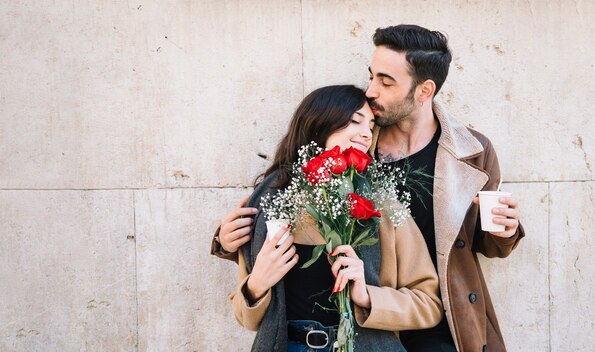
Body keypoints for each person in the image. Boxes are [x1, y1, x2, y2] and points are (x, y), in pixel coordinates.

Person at [213, 25, 525, 352]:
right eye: (372, 76)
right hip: (359, 328)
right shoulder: (354, 150)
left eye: (386, 81)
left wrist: (506, 232)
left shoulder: (471, 152)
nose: (371, 90)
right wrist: (229, 240)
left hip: (438, 321)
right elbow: (285, 253)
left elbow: (481, 244)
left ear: (424, 90)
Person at [228, 85, 443, 352]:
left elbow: (429, 304)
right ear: (320, 123)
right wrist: (257, 284)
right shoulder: (269, 206)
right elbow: (246, 320)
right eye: (355, 121)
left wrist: (368, 297)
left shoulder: (384, 206)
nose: (367, 133)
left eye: (372, 124)